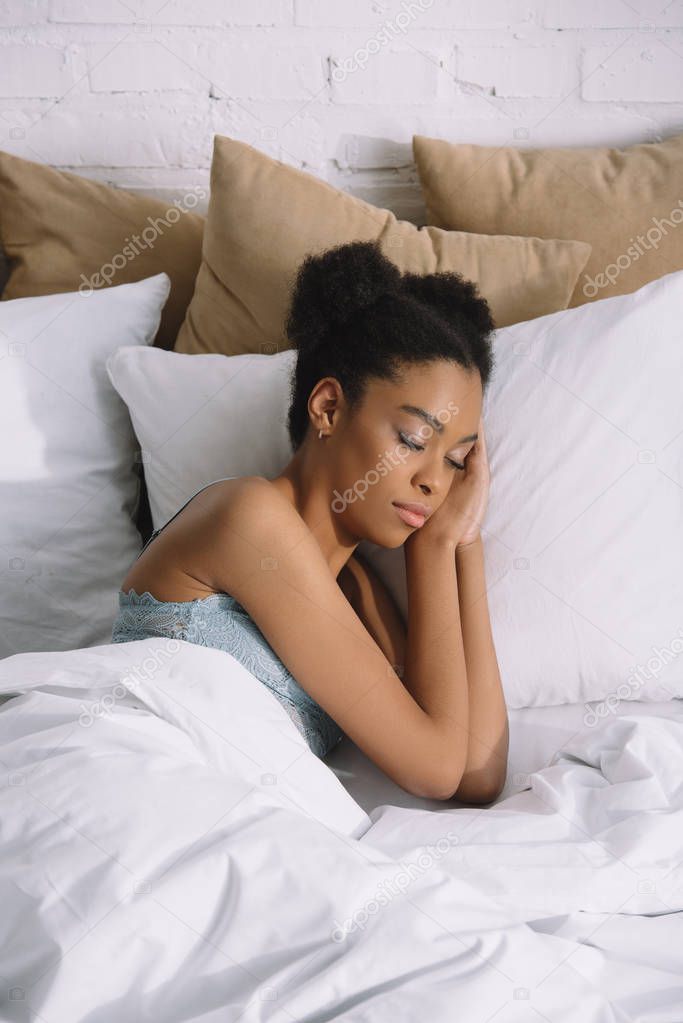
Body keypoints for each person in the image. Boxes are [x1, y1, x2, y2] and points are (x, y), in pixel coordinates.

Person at [112, 239, 509, 802]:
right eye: (414, 439)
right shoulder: (248, 517)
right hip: (126, 787)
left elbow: (476, 776)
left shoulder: (359, 599)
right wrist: (435, 549)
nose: (436, 482)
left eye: (455, 461)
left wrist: (455, 542)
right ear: (327, 408)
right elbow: (440, 769)